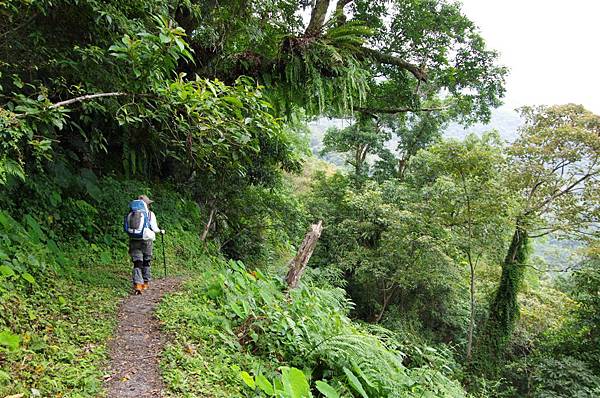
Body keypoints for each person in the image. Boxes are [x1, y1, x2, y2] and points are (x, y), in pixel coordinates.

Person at [126, 195, 164, 295]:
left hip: (134, 240)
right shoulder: (150, 214)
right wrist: (161, 231)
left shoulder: (132, 213)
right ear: (147, 204)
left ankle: (138, 285)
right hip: (147, 241)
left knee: (137, 262)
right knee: (146, 261)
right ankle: (146, 282)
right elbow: (155, 228)